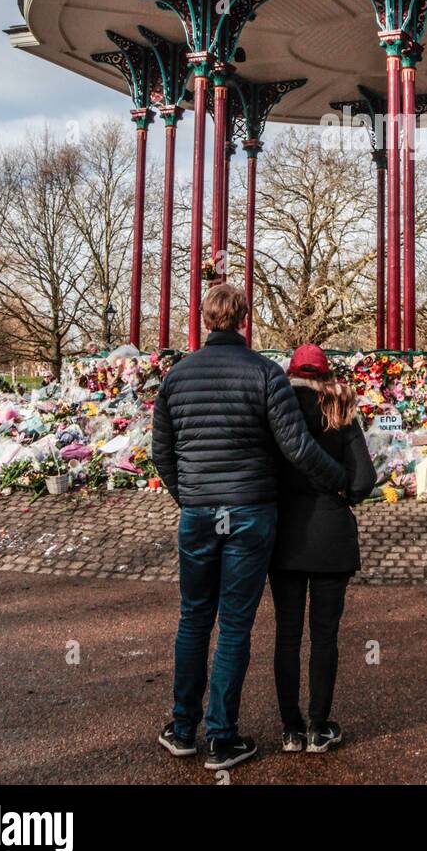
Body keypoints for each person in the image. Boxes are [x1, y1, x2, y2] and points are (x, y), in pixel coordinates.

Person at [151, 285, 348, 772]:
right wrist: (341, 482)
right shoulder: (264, 374)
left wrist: (190, 495)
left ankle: (182, 728)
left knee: (194, 616)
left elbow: (161, 452)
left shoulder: (176, 377)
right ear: (243, 319)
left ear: (203, 318)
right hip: (249, 512)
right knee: (235, 623)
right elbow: (296, 448)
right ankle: (221, 737)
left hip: (198, 514)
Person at [268, 343, 376, 755]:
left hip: (285, 538)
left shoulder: (277, 412)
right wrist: (342, 489)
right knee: (324, 636)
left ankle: (290, 729)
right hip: (331, 537)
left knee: (287, 635)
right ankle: (318, 726)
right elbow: (364, 480)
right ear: (325, 374)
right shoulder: (341, 411)